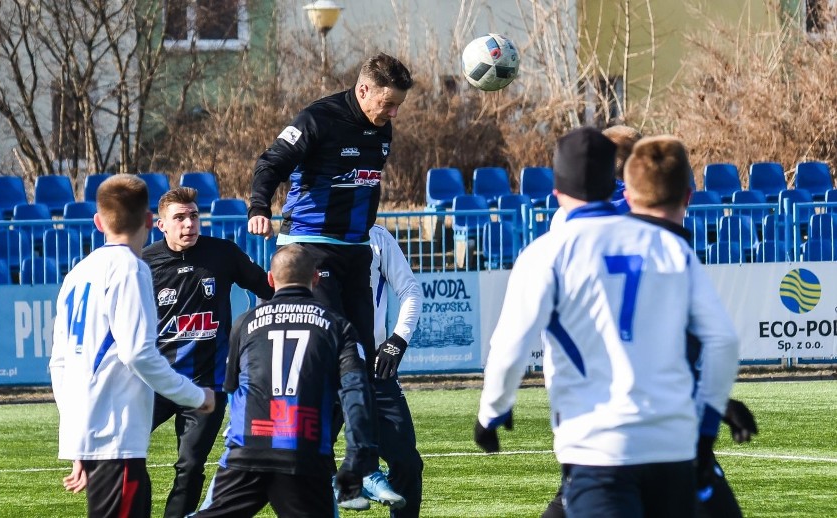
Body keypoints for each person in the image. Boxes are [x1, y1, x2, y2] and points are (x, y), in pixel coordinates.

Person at [475, 128, 740, 518]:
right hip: (673, 446)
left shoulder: (548, 252)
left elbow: (510, 348)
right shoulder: (666, 244)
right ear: (620, 188)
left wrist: (492, 412)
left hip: (598, 446)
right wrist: (707, 424)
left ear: (556, 193)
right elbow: (723, 342)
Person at [247, 52, 414, 504]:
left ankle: (359, 470)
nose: (393, 113)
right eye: (388, 102)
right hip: (309, 249)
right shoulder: (317, 119)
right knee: (334, 353)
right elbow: (271, 163)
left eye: (398, 105)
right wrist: (259, 207)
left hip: (355, 253)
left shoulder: (382, 129)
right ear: (363, 90)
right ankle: (255, 460)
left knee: (359, 360)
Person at [49, 175, 215, 518]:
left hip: (96, 436)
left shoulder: (77, 273)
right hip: (117, 436)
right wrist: (196, 396)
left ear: (98, 222)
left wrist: (80, 440)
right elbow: (138, 353)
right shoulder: (130, 268)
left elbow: (59, 363)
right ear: (148, 222)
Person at [194, 244, 377, 517]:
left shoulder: (245, 323)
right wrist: (357, 456)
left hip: (247, 451)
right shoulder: (339, 326)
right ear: (316, 277)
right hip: (303, 452)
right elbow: (356, 395)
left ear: (270, 279)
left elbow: (231, 387)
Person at [143, 187, 276, 518]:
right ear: (161, 225)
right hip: (155, 384)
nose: (188, 224)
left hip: (206, 388)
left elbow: (268, 288)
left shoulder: (223, 254)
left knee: (190, 467)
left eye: (193, 216)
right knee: (124, 455)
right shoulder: (143, 264)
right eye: (179, 218)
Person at [355, 224, 424, 515]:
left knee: (407, 463)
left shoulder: (377, 236)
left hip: (373, 370)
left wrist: (397, 340)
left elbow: (411, 290)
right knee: (298, 462)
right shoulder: (306, 233)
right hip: (322, 368)